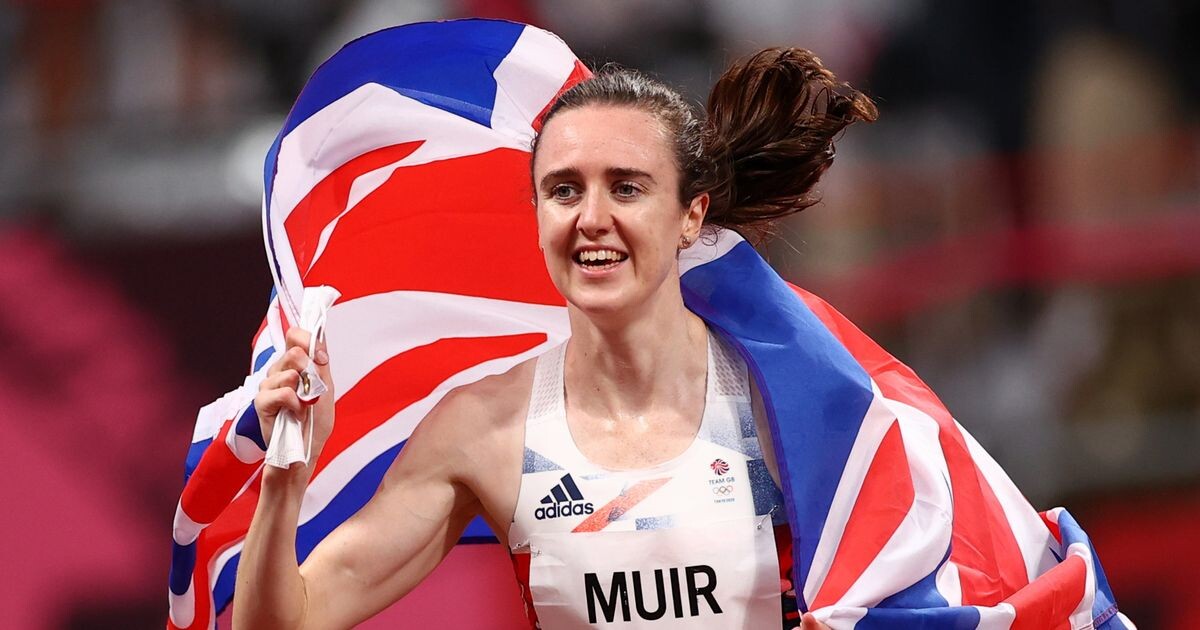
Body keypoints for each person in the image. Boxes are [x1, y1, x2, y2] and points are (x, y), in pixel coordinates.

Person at [234, 48, 875, 629]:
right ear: (538, 217)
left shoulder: (786, 397)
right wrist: (285, 477)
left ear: (691, 216)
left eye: (626, 188)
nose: (592, 219)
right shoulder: (487, 430)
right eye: (564, 191)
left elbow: (914, 576)